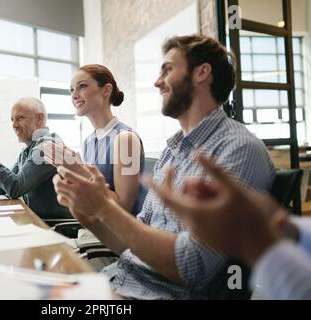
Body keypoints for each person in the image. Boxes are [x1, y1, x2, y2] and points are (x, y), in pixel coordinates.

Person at [52, 34, 276, 299]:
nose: (157, 82)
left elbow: (193, 267)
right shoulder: (173, 150)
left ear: (202, 72)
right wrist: (88, 215)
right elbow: (132, 243)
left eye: (167, 69)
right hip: (118, 278)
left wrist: (103, 207)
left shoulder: (238, 149)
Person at [151, 152, 311, 300]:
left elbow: (191, 268)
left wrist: (258, 244)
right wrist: (287, 230)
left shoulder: (242, 147)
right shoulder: (170, 152)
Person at [44, 64, 146, 215]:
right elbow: (91, 194)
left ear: (106, 90)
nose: (74, 95)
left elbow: (124, 208)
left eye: (82, 86)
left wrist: (78, 169)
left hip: (119, 235)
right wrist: (70, 172)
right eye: (71, 90)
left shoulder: (126, 139)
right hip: (94, 226)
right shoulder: (89, 141)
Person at [0, 97, 71, 219]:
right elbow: (2, 189)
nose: (14, 125)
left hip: (53, 227)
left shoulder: (48, 147)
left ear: (40, 118)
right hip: (35, 222)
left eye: (20, 118)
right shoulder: (28, 150)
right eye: (12, 120)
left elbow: (14, 188)